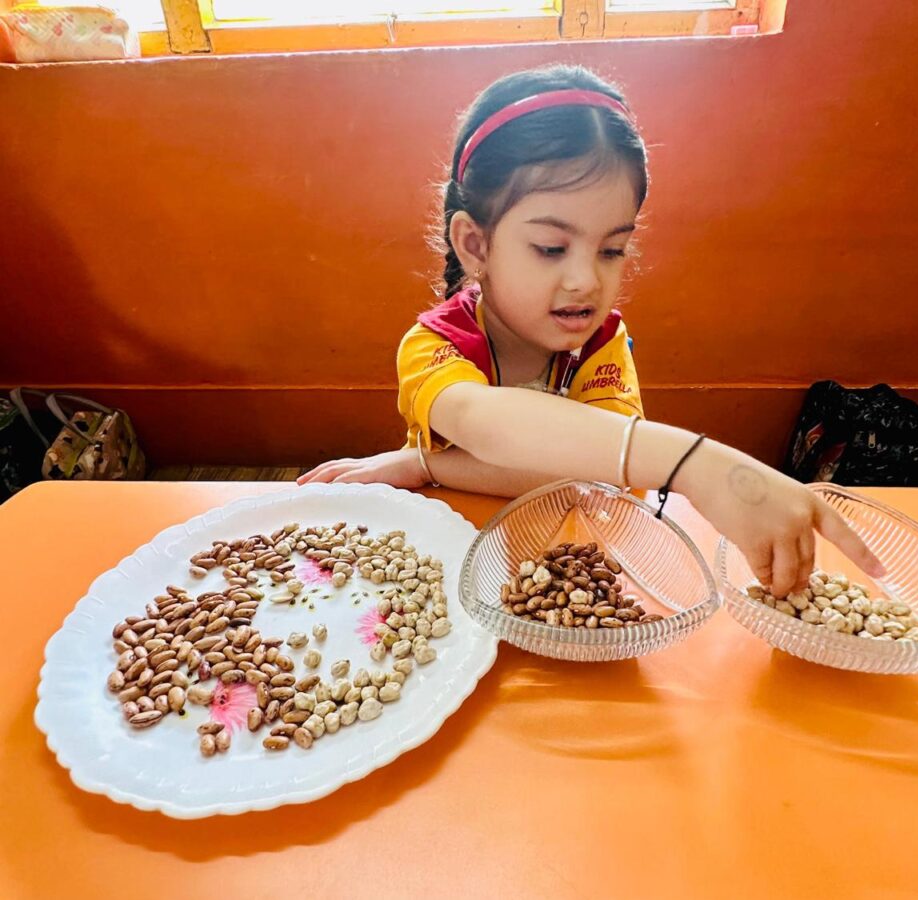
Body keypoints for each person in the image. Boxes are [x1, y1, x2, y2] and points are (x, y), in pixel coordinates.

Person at [299, 64, 882, 597]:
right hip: (437, 567)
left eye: (612, 249)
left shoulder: (602, 344)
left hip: (559, 566)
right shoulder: (436, 345)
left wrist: (427, 462)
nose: (585, 280)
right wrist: (697, 465)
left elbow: (592, 477)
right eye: (551, 248)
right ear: (476, 244)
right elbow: (486, 425)